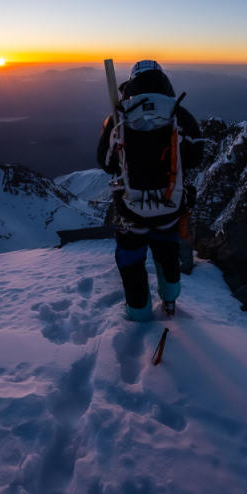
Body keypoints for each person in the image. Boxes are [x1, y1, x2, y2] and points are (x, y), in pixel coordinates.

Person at [97, 60, 204, 320]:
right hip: (170, 207)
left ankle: (139, 312)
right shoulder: (180, 113)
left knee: (131, 261)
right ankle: (169, 301)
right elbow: (195, 158)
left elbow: (105, 162)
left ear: (131, 82)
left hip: (130, 211)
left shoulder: (119, 115)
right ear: (163, 80)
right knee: (167, 254)